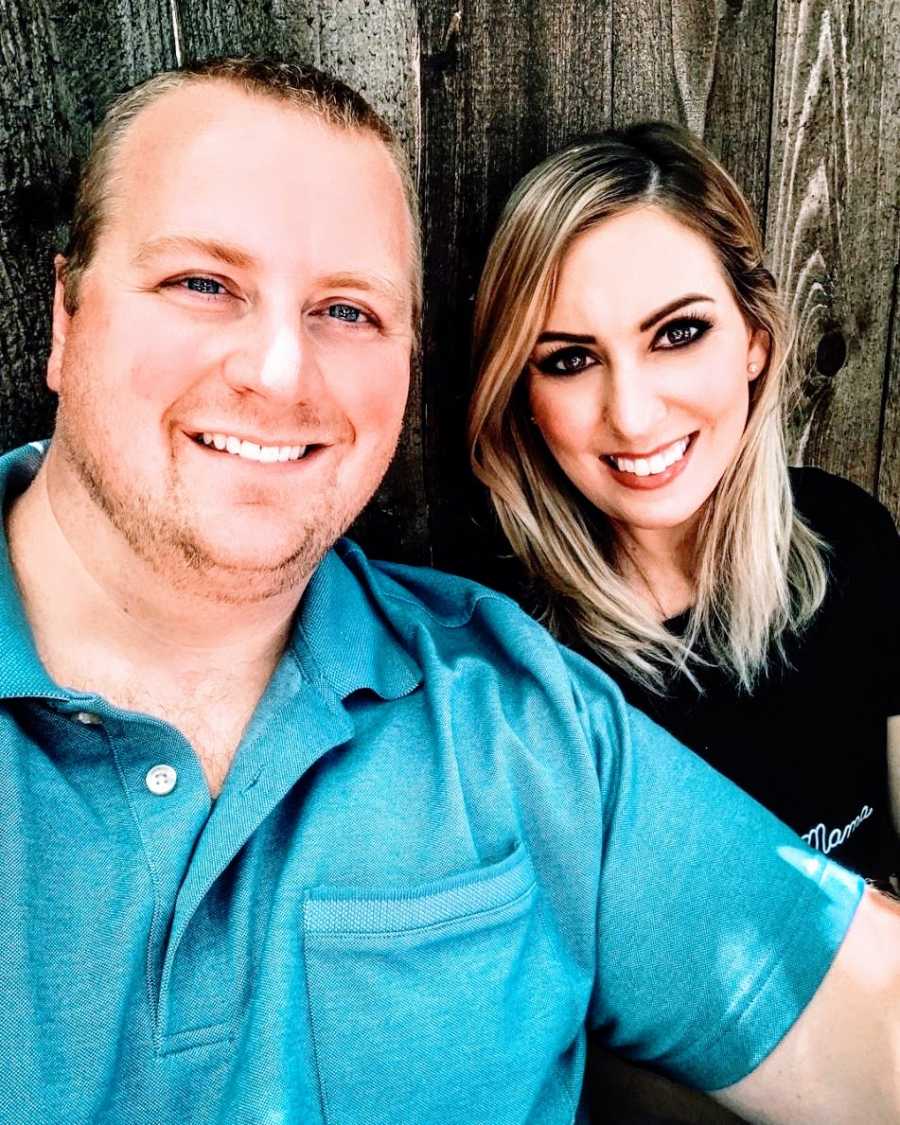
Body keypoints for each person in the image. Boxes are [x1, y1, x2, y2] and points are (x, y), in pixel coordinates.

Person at [0, 58, 897, 1125]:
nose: (280, 371)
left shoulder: (523, 720)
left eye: (348, 308)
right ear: (63, 318)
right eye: (203, 283)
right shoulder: (552, 648)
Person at [468, 122, 900, 891]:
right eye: (570, 359)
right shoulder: (507, 667)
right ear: (524, 396)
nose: (632, 415)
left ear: (755, 340)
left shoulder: (851, 538)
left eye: (679, 333)